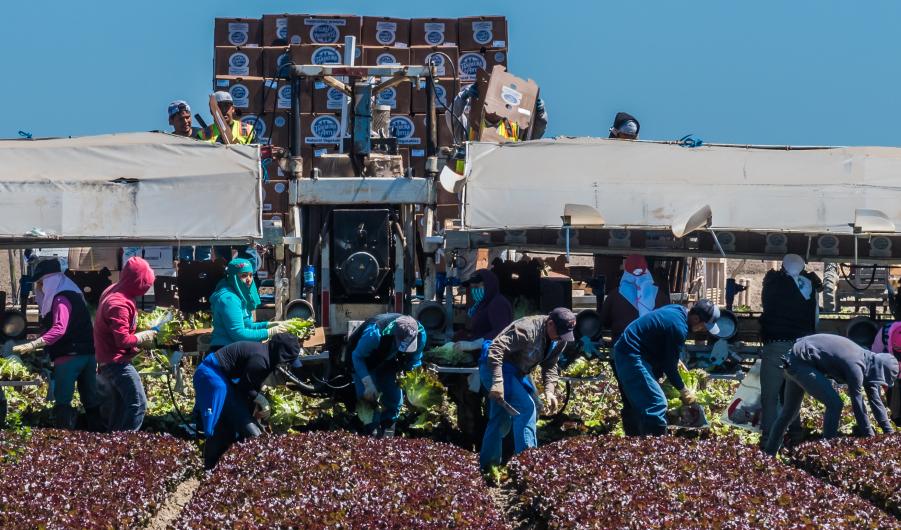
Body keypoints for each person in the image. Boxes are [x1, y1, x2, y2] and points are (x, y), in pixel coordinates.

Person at [764, 334, 898, 455]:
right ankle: (827, 450)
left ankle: (769, 454)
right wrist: (870, 438)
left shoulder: (869, 363)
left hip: (795, 357)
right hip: (800, 361)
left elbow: (876, 401)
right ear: (879, 371)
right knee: (835, 404)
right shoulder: (856, 366)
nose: (880, 384)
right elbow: (858, 406)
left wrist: (890, 434)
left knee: (789, 413)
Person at [480, 308, 576, 468]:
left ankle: (488, 467)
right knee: (526, 409)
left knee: (501, 418)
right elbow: (496, 349)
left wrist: (550, 391)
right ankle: (528, 466)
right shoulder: (527, 329)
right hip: (495, 366)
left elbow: (550, 364)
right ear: (550, 323)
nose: (561, 338)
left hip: (517, 371)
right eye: (559, 333)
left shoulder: (560, 338)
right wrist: (497, 381)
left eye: (564, 335)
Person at [12, 259, 101, 429]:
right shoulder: (73, 294)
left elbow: (59, 328)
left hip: (70, 357)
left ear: (50, 281)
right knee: (90, 398)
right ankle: (98, 432)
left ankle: (63, 433)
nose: (39, 287)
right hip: (88, 355)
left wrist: (33, 345)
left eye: (41, 283)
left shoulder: (61, 299)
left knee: (63, 400)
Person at [613, 300, 722, 436]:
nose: (704, 330)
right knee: (657, 403)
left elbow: (660, 340)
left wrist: (674, 360)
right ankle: (656, 444)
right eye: (704, 326)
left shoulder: (678, 310)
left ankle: (636, 442)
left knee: (637, 403)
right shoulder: (678, 327)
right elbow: (669, 368)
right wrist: (684, 391)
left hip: (628, 350)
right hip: (632, 355)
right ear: (696, 318)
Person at [193, 333, 301, 469]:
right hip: (211, 375)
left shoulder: (265, 355)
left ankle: (212, 467)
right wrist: (262, 401)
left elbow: (248, 388)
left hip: (222, 377)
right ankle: (261, 459)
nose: (286, 364)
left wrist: (255, 408)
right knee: (235, 419)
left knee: (228, 423)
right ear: (281, 354)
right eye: (287, 360)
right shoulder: (261, 360)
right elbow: (245, 389)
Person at [600, 255, 672, 435]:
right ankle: (651, 434)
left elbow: (603, 321)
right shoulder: (660, 296)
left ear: (625, 273)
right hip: (652, 354)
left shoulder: (615, 295)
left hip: (624, 353)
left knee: (629, 395)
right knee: (652, 393)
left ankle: (633, 437)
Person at [758, 254, 822, 445]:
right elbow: (815, 318)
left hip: (776, 345)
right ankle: (795, 434)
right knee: (792, 394)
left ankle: (769, 439)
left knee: (770, 396)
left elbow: (766, 306)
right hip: (800, 347)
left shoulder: (772, 283)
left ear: (783, 267)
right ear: (802, 268)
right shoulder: (810, 285)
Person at [94, 257, 157, 431]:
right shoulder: (118, 304)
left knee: (120, 408)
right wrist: (143, 337)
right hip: (116, 362)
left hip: (108, 359)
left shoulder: (115, 289)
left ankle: (115, 442)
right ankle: (128, 442)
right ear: (139, 282)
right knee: (138, 404)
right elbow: (122, 340)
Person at [348, 313, 426, 437]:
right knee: (370, 401)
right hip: (365, 362)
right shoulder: (374, 334)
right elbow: (357, 357)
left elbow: (414, 360)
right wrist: (368, 383)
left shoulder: (421, 334)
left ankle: (387, 433)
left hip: (389, 361)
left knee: (394, 399)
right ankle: (370, 434)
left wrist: (413, 387)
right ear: (395, 335)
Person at [210, 258, 287, 350]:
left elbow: (248, 326)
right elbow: (239, 334)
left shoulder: (239, 295)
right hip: (225, 349)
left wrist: (269, 325)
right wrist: (270, 332)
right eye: (244, 276)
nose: (249, 279)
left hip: (237, 347)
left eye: (251, 275)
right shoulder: (229, 299)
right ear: (233, 277)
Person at [447, 83, 548, 142]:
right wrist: (462, 97)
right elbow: (451, 117)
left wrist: (540, 113)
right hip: (475, 171)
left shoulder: (512, 128)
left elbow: (534, 134)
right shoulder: (472, 127)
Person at [871, 322, 901, 426]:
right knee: (892, 387)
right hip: (890, 368)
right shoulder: (884, 333)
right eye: (898, 349)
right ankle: (895, 418)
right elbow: (875, 355)